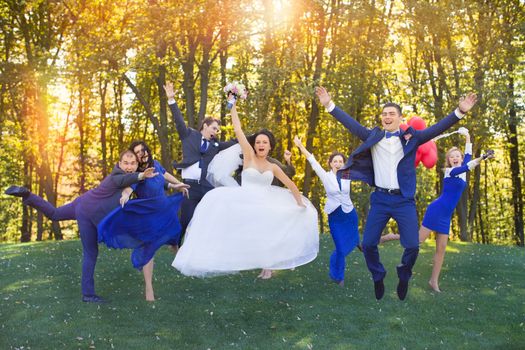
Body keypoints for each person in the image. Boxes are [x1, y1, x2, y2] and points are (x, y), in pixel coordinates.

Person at [315, 86, 478, 300]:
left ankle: (404, 273)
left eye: (392, 113)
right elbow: (350, 124)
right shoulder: (373, 135)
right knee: (369, 244)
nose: (387, 116)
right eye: (384, 114)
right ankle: (378, 274)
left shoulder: (413, 137)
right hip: (381, 199)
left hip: (403, 200)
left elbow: (437, 128)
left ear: (400, 118)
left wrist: (460, 112)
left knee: (412, 245)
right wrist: (329, 105)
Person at [172, 98, 319, 279]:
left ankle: (268, 266)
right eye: (258, 142)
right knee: (217, 208)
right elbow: (238, 130)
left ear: (270, 146)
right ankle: (214, 252)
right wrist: (233, 107)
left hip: (266, 201)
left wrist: (299, 203)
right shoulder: (248, 157)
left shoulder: (273, 167)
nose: (261, 145)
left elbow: (291, 184)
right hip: (244, 199)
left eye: (264, 142)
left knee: (269, 231)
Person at [4, 150, 158, 303]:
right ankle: (88, 295)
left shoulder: (128, 178)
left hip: (82, 202)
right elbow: (125, 180)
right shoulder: (116, 175)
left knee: (55, 214)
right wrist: (141, 175)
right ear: (119, 164)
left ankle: (28, 195)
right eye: (126, 163)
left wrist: (170, 183)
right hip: (88, 214)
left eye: (132, 163)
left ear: (137, 164)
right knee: (91, 253)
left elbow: (143, 181)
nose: (129, 166)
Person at [97, 141, 189, 301]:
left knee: (175, 234)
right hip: (149, 215)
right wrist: (125, 195)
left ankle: (178, 255)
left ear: (147, 151)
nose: (142, 153)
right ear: (136, 158)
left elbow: (164, 178)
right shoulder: (137, 174)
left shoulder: (156, 165)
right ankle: (149, 289)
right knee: (149, 249)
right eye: (137, 152)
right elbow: (129, 188)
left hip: (165, 210)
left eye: (143, 150)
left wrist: (177, 185)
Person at [419, 131, 493, 292]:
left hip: (446, 216)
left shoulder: (463, 171)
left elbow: (468, 156)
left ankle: (433, 281)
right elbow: (468, 165)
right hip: (436, 210)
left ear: (460, 158)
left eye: (457, 156)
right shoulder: (450, 171)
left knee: (441, 249)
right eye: (451, 157)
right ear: (448, 160)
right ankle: (390, 237)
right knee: (417, 241)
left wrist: (467, 136)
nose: (454, 158)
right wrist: (482, 158)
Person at [164, 82, 236, 244]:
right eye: (214, 128)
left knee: (214, 215)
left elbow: (234, 142)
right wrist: (171, 99)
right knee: (185, 220)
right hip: (189, 187)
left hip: (206, 187)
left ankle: (212, 245)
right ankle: (175, 244)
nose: (216, 132)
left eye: (218, 130)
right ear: (205, 126)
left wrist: (252, 139)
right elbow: (179, 121)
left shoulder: (215, 145)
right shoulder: (189, 135)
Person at [294, 136, 360, 286]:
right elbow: (312, 160)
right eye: (335, 161)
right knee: (340, 248)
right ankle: (339, 276)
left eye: (340, 161)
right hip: (335, 215)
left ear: (344, 164)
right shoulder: (326, 176)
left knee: (349, 240)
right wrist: (300, 146)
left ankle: (355, 241)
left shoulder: (348, 175)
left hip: (349, 213)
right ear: (330, 164)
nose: (338, 163)